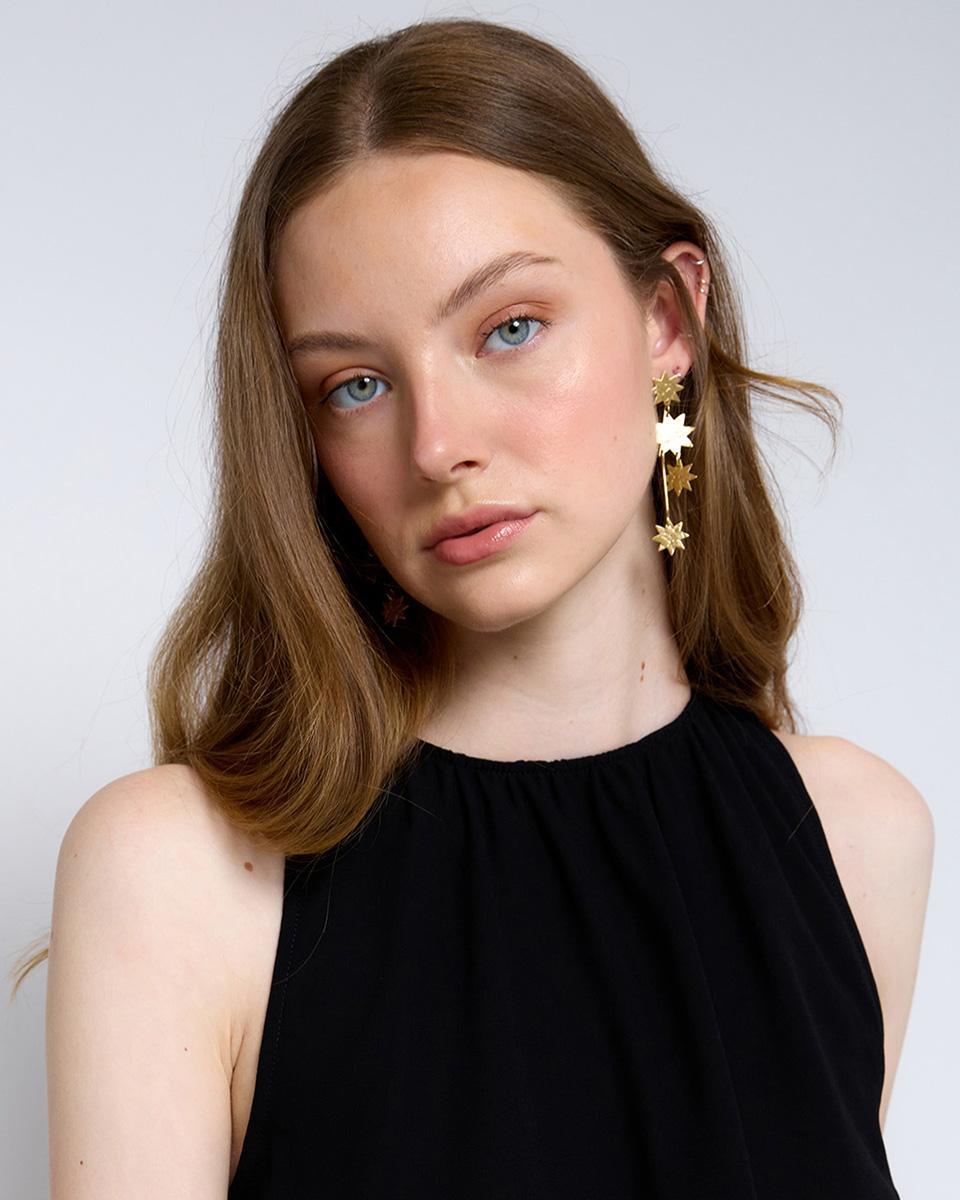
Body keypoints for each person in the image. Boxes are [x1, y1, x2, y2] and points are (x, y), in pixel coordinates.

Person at [31, 16, 932, 1198]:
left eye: (510, 328)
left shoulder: (855, 837)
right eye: (356, 384)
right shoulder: (181, 874)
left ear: (668, 321)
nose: (438, 445)